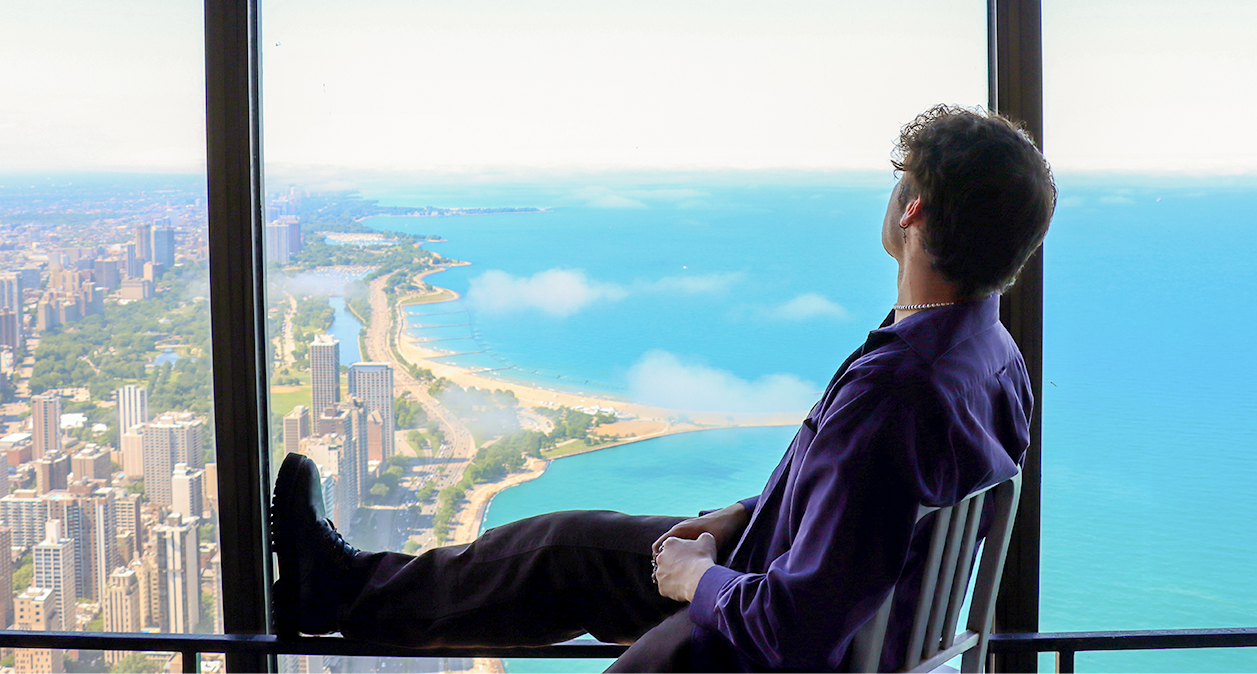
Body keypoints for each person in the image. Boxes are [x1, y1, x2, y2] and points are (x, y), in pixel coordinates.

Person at [270, 104, 1055, 671]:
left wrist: (697, 578)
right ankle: (340, 591)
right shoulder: (992, 358)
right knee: (566, 548)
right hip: (806, 597)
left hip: (773, 647)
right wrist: (739, 515)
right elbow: (855, 511)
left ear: (912, 210)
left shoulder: (897, 391)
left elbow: (797, 628)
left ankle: (342, 595)